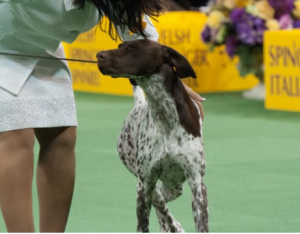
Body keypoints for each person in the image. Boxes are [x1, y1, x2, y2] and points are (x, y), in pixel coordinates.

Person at [0, 0, 204, 232]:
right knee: (16, 133)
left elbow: (136, 32)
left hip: (43, 48)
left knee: (62, 135)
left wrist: (173, 81)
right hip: (2, 47)